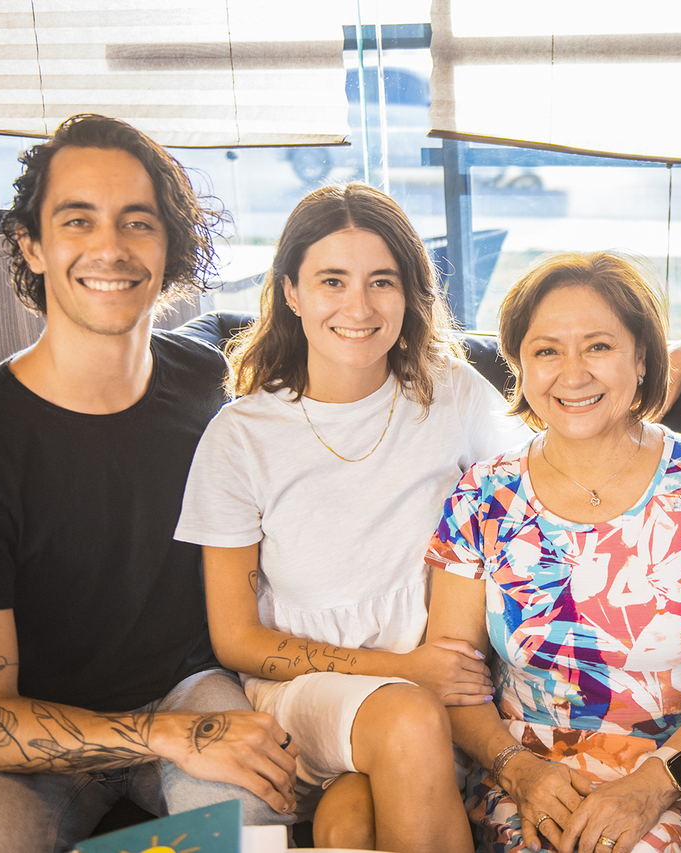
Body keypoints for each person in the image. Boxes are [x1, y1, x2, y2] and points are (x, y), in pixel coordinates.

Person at [0, 114, 296, 853]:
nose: (110, 248)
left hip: (194, 688)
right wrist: (163, 735)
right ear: (31, 245)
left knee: (246, 828)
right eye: (78, 220)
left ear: (168, 247)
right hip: (37, 726)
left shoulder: (213, 381)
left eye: (138, 223)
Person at [173, 183, 529, 851]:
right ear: (291, 291)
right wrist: (406, 668)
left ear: (410, 293)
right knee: (406, 718)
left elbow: (550, 476)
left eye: (381, 282)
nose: (359, 307)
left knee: (350, 824)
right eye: (332, 281)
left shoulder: (451, 392)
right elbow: (236, 639)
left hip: (439, 694)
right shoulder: (241, 436)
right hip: (304, 694)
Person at [423, 252, 681, 853]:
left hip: (672, 776)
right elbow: (451, 676)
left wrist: (653, 786)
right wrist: (517, 769)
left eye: (599, 347)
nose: (573, 374)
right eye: (547, 351)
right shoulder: (483, 493)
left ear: (642, 359)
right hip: (521, 777)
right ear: (520, 367)